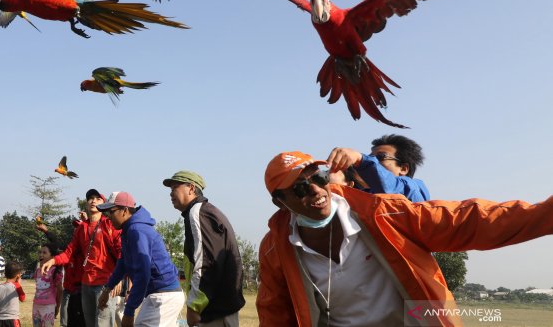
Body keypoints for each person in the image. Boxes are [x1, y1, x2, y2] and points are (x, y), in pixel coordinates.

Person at [257, 151, 553, 326]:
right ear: (280, 202)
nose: (316, 191)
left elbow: (468, 220)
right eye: (299, 189)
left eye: (319, 178)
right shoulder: (275, 248)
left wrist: (546, 215)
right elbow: (275, 313)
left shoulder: (384, 214)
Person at [162, 170, 245, 327]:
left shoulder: (197, 212)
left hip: (213, 309)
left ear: (191, 188)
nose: (171, 194)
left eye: (175, 188)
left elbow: (205, 261)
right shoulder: (205, 211)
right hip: (220, 305)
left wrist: (194, 305)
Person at [95, 192, 184, 327]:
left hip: (164, 295)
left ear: (124, 210)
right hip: (158, 294)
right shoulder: (129, 229)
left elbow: (143, 274)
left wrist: (129, 312)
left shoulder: (137, 230)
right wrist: (108, 289)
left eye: (111, 212)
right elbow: (123, 262)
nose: (108, 217)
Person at [40, 188, 122, 327]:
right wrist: (53, 260)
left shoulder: (109, 225)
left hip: (105, 284)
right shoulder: (81, 228)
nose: (93, 201)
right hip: (86, 284)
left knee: (103, 324)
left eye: (97, 198)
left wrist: (118, 276)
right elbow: (69, 252)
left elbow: (121, 252)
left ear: (104, 203)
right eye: (90, 198)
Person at [326, 134, 430, 201]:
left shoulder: (411, 188)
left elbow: (390, 188)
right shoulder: (366, 197)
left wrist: (361, 159)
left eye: (380, 157)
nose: (374, 161)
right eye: (371, 158)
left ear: (403, 168)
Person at [38, 214, 87, 327]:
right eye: (75, 228)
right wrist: (46, 231)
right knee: (65, 322)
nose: (76, 230)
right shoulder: (68, 252)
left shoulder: (88, 252)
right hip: (68, 291)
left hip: (82, 291)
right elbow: (55, 245)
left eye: (79, 228)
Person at [0, 261, 26, 327]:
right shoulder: (17, 286)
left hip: (0, 320)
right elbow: (23, 298)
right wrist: (19, 284)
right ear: (18, 275)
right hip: (13, 319)